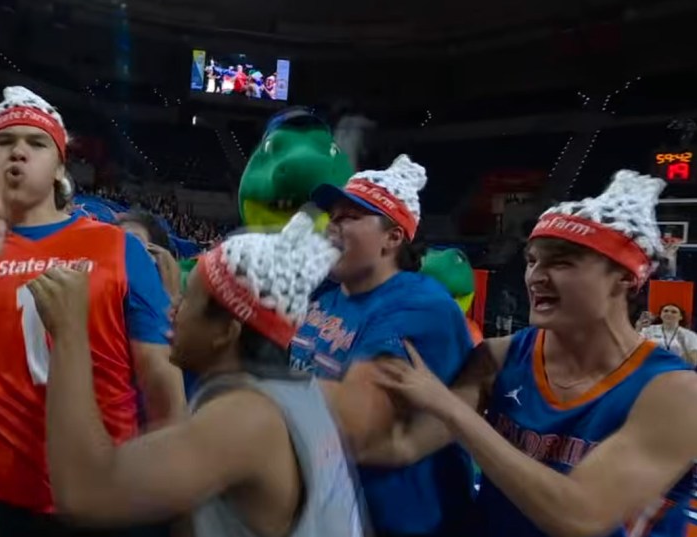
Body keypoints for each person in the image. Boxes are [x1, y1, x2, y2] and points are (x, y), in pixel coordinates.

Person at [0, 86, 186, 537]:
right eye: (5, 142)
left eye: (36, 143)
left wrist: (171, 492)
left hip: (100, 496)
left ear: (60, 165)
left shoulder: (116, 246)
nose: (18, 152)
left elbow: (159, 376)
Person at [367, 170, 697, 537]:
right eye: (532, 260)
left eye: (561, 262)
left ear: (625, 277)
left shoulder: (676, 392)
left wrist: (449, 407)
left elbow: (577, 516)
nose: (536, 276)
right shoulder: (499, 356)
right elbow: (403, 446)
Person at [38, 212, 365, 537]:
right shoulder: (297, 392)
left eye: (187, 297)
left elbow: (84, 492)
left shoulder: (245, 421)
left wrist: (69, 331)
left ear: (225, 332)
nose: (172, 309)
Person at [299, 154, 476, 537]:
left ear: (393, 238)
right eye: (332, 217)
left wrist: (246, 375)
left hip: (401, 523)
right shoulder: (326, 296)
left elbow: (357, 423)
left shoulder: (420, 305)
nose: (332, 227)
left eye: (349, 217)